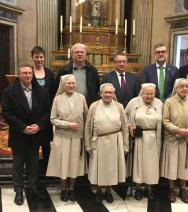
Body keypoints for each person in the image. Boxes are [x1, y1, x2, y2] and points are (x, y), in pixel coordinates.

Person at [1, 65, 50, 205]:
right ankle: (18, 191)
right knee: (18, 164)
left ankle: (33, 187)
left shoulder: (42, 91)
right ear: (19, 75)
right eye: (24, 73)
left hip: (35, 134)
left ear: (33, 75)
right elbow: (7, 113)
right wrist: (22, 127)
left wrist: (39, 126)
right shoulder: (9, 92)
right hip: (19, 134)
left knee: (34, 163)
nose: (28, 75)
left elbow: (47, 111)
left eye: (30, 73)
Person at [46, 74, 88, 202]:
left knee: (74, 164)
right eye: (68, 83)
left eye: (73, 83)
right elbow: (52, 119)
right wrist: (68, 124)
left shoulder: (81, 98)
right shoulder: (57, 99)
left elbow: (87, 117)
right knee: (63, 163)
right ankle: (63, 188)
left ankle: (71, 188)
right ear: (63, 85)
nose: (71, 86)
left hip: (77, 137)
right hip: (62, 137)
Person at [85, 83, 129, 203]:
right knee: (100, 167)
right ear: (100, 94)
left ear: (114, 94)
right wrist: (88, 145)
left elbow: (125, 127)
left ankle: (109, 191)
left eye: (111, 92)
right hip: (98, 141)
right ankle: (99, 191)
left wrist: (125, 145)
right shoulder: (94, 106)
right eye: (106, 92)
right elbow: (88, 126)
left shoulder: (119, 106)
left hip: (115, 141)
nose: (108, 94)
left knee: (111, 168)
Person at [161, 78, 188, 203]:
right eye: (181, 86)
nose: (184, 89)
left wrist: (187, 131)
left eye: (187, 86)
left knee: (184, 165)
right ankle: (171, 189)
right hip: (173, 139)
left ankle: (182, 189)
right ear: (176, 88)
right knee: (172, 165)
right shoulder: (169, 102)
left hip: (187, 140)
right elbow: (165, 121)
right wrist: (178, 130)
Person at [126, 83, 163, 200]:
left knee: (151, 164)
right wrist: (129, 126)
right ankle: (138, 188)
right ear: (142, 93)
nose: (149, 96)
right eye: (147, 94)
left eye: (151, 94)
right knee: (139, 163)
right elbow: (123, 116)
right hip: (139, 138)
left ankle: (149, 187)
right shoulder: (133, 102)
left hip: (154, 138)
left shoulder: (159, 103)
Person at [31, 46, 55, 173]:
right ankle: (33, 170)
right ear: (32, 58)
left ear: (44, 58)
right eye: (36, 57)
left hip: (46, 113)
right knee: (33, 145)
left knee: (46, 144)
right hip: (32, 114)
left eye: (41, 57)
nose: (39, 59)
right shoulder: (28, 72)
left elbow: (53, 92)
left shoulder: (50, 73)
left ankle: (47, 169)